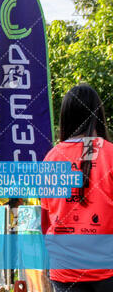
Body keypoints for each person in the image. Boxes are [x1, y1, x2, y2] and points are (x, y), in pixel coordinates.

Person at [41, 84, 113, 291]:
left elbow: (46, 222)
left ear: (66, 116)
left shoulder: (52, 158)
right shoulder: (109, 154)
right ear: (98, 113)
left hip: (65, 269)